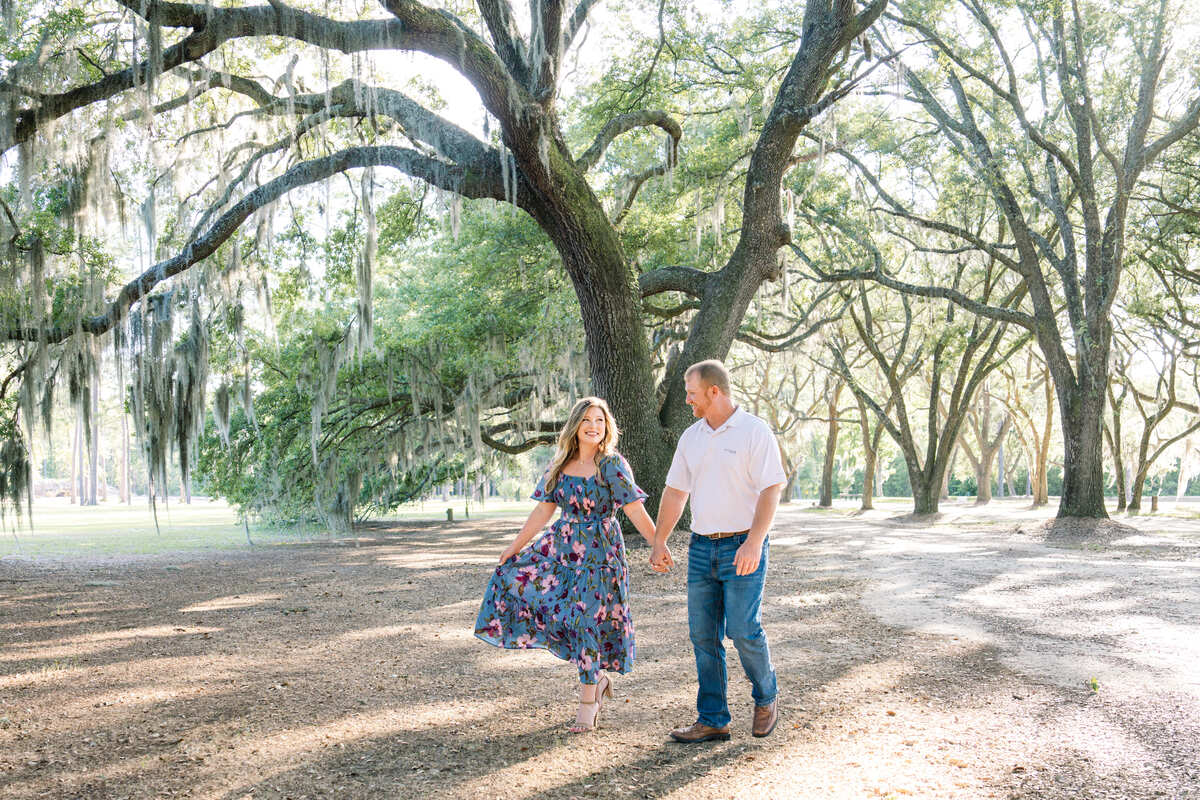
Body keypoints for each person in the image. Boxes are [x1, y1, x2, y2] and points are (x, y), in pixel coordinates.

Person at [475, 396, 663, 732]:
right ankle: (597, 680)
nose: (594, 427)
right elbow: (543, 511)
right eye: (588, 420)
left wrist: (658, 544)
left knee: (587, 622)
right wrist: (514, 547)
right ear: (575, 425)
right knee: (567, 617)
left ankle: (588, 702)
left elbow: (634, 509)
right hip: (562, 553)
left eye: (600, 421)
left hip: (601, 556)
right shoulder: (559, 465)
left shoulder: (612, 464)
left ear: (608, 428)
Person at [650, 359, 786, 742]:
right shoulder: (690, 437)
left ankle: (766, 695)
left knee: (743, 629)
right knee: (703, 636)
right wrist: (660, 540)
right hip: (700, 548)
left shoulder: (754, 432)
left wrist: (755, 541)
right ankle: (712, 718)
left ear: (714, 391)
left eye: (692, 393)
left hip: (743, 544)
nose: (687, 400)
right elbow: (676, 491)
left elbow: (771, 488)